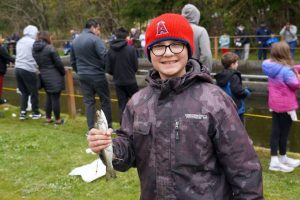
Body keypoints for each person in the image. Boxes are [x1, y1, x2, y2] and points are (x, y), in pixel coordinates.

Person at [88, 13, 263, 199]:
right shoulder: (137, 103)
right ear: (149, 53)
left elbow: (244, 168)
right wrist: (109, 148)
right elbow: (127, 153)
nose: (168, 53)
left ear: (188, 49)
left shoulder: (215, 101)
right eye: (159, 47)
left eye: (176, 44)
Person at [262, 41, 300, 173]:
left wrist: (296, 68)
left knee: (276, 131)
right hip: (286, 106)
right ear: (285, 53)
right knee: (283, 133)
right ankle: (275, 161)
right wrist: (298, 76)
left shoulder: (268, 65)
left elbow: (283, 69)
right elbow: (295, 85)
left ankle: (281, 158)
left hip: (274, 104)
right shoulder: (286, 71)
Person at [70, 19, 112, 130]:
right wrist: (104, 69)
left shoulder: (75, 41)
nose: (99, 32)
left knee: (89, 102)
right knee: (105, 101)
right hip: (97, 74)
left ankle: (91, 128)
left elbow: (72, 61)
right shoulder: (95, 39)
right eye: (98, 29)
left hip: (83, 75)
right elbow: (104, 57)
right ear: (93, 27)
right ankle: (108, 127)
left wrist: (79, 71)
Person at [106, 27, 139, 124]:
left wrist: (116, 73)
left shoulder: (110, 50)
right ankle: (137, 124)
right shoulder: (131, 49)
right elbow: (135, 67)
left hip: (118, 82)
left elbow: (108, 69)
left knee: (122, 106)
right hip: (131, 81)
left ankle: (123, 128)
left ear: (115, 36)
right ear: (126, 36)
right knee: (137, 103)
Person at [32, 31, 65, 125]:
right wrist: (63, 73)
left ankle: (48, 118)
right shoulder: (50, 48)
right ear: (47, 37)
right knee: (55, 98)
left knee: (49, 97)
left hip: (43, 76)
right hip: (54, 76)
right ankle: (58, 120)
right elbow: (58, 63)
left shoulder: (34, 49)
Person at [215, 52, 251, 123]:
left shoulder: (221, 76)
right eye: (236, 62)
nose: (237, 64)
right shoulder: (234, 76)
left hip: (225, 107)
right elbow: (238, 91)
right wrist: (247, 92)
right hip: (236, 108)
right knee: (239, 129)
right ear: (232, 65)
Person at [15, 25, 41, 120]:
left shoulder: (19, 41)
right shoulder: (33, 42)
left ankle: (23, 113)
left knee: (24, 92)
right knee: (33, 91)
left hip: (17, 68)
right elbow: (36, 56)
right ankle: (35, 113)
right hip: (28, 69)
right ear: (33, 33)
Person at [181, 3, 213, 72]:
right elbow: (206, 55)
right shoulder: (201, 31)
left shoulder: (175, 30)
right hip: (195, 72)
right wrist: (206, 72)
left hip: (179, 71)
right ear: (197, 16)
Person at [0, 35, 15, 104]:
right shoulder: (1, 48)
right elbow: (8, 57)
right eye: (1, 38)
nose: (2, 39)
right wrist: (18, 61)